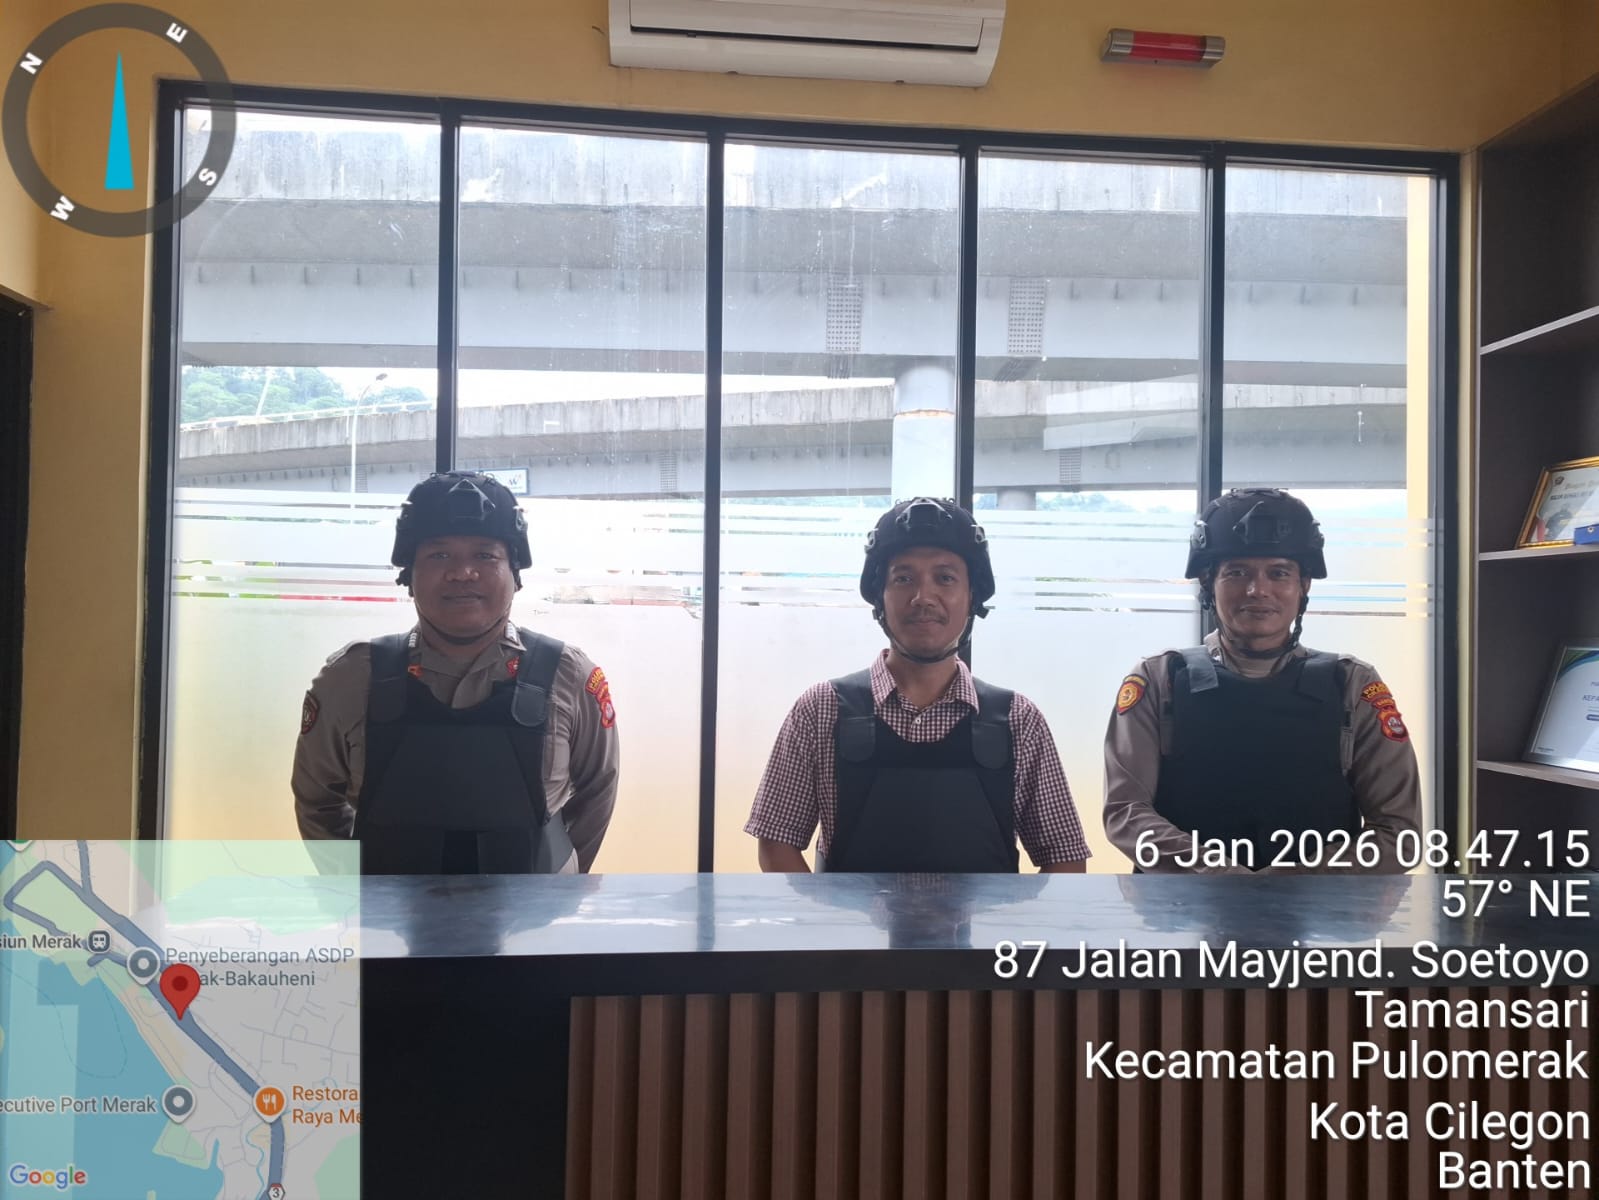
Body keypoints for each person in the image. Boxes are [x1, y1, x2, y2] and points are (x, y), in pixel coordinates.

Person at [292, 471, 619, 874]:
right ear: (408, 575)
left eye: (485, 555)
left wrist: (559, 886)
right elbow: (317, 801)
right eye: (439, 555)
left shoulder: (568, 676)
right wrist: (351, 889)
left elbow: (597, 790)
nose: (463, 572)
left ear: (515, 572)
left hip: (536, 912)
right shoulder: (351, 678)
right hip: (387, 914)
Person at [745, 497, 1090, 874]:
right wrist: (824, 915)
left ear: (972, 597)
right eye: (903, 578)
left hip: (985, 919)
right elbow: (776, 845)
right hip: (851, 919)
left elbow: (1064, 857)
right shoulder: (822, 709)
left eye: (945, 578)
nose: (923, 598)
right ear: (879, 597)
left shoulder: (1017, 720)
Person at [1103, 487, 1420, 874]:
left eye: (1279, 573)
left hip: (1323, 910)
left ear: (1304, 585)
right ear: (1208, 582)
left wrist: (1292, 883)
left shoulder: (1351, 685)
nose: (1258, 590)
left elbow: (1399, 836)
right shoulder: (1160, 680)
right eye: (1237, 573)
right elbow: (1126, 813)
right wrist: (1217, 876)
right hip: (1183, 907)